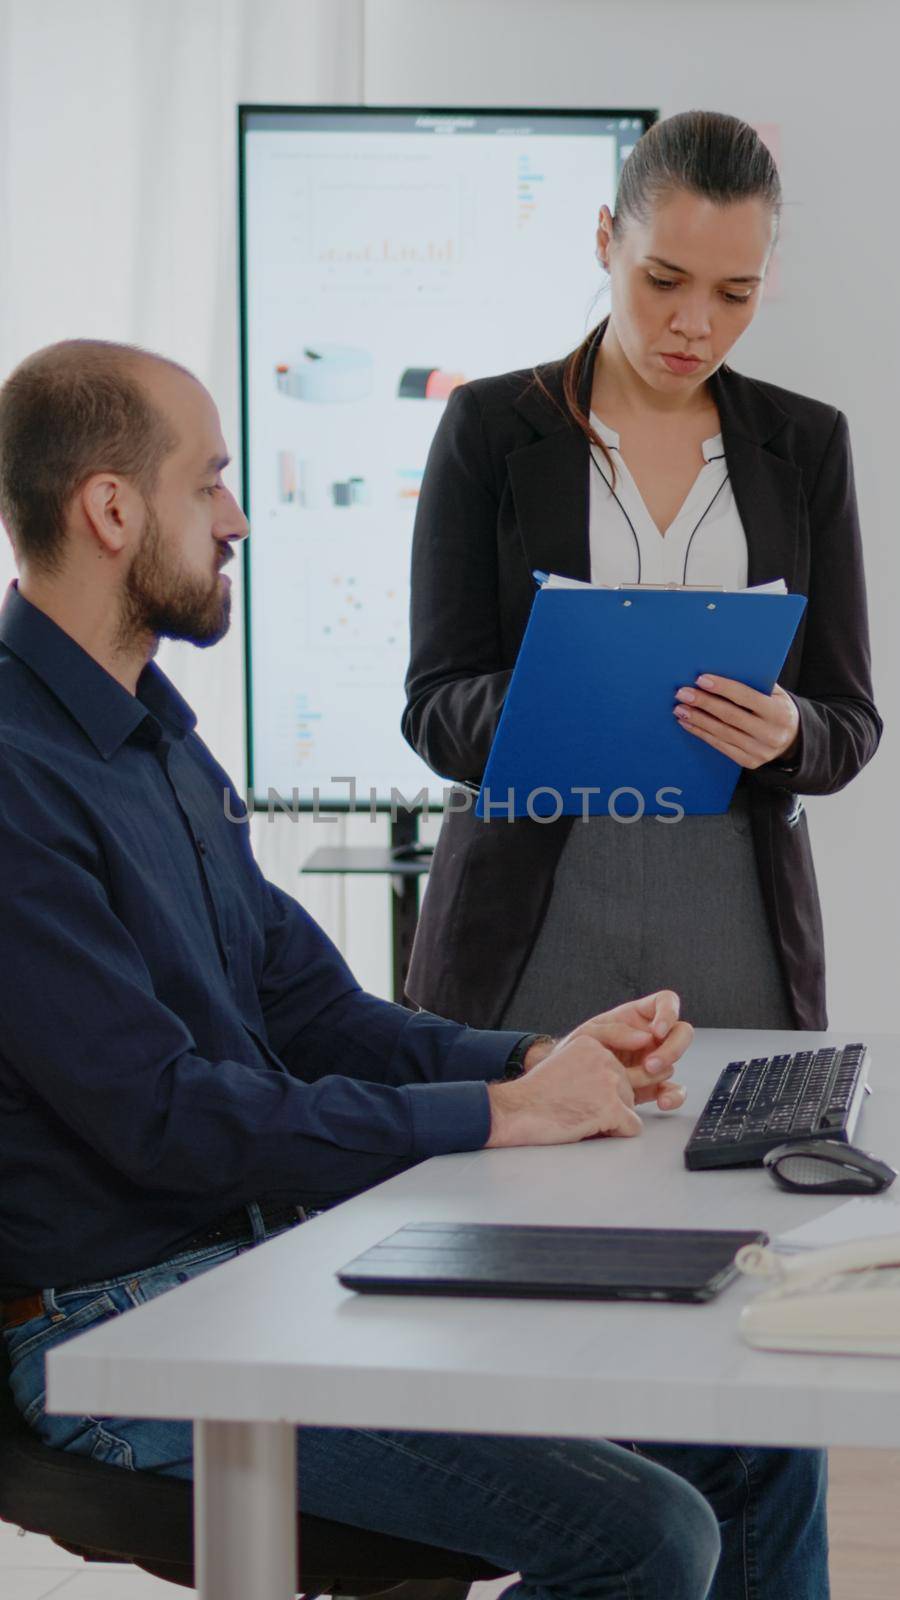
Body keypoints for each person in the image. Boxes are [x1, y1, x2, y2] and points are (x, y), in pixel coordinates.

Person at [0, 339, 828, 1600]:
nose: (234, 519)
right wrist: (498, 1114)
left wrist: (540, 1058)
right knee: (648, 1538)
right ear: (111, 509)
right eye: (208, 483)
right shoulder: (16, 778)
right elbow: (161, 1117)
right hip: (110, 1325)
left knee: (763, 1439)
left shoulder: (157, 741)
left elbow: (313, 1008)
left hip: (260, 1259)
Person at [402, 110, 881, 1038]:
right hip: (527, 913)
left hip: (734, 907)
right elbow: (432, 706)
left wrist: (788, 731)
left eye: (735, 294)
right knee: (519, 1181)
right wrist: (560, 701)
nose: (694, 325)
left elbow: (849, 724)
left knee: (736, 1174)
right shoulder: (490, 431)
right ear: (603, 242)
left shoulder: (806, 445)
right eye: (664, 279)